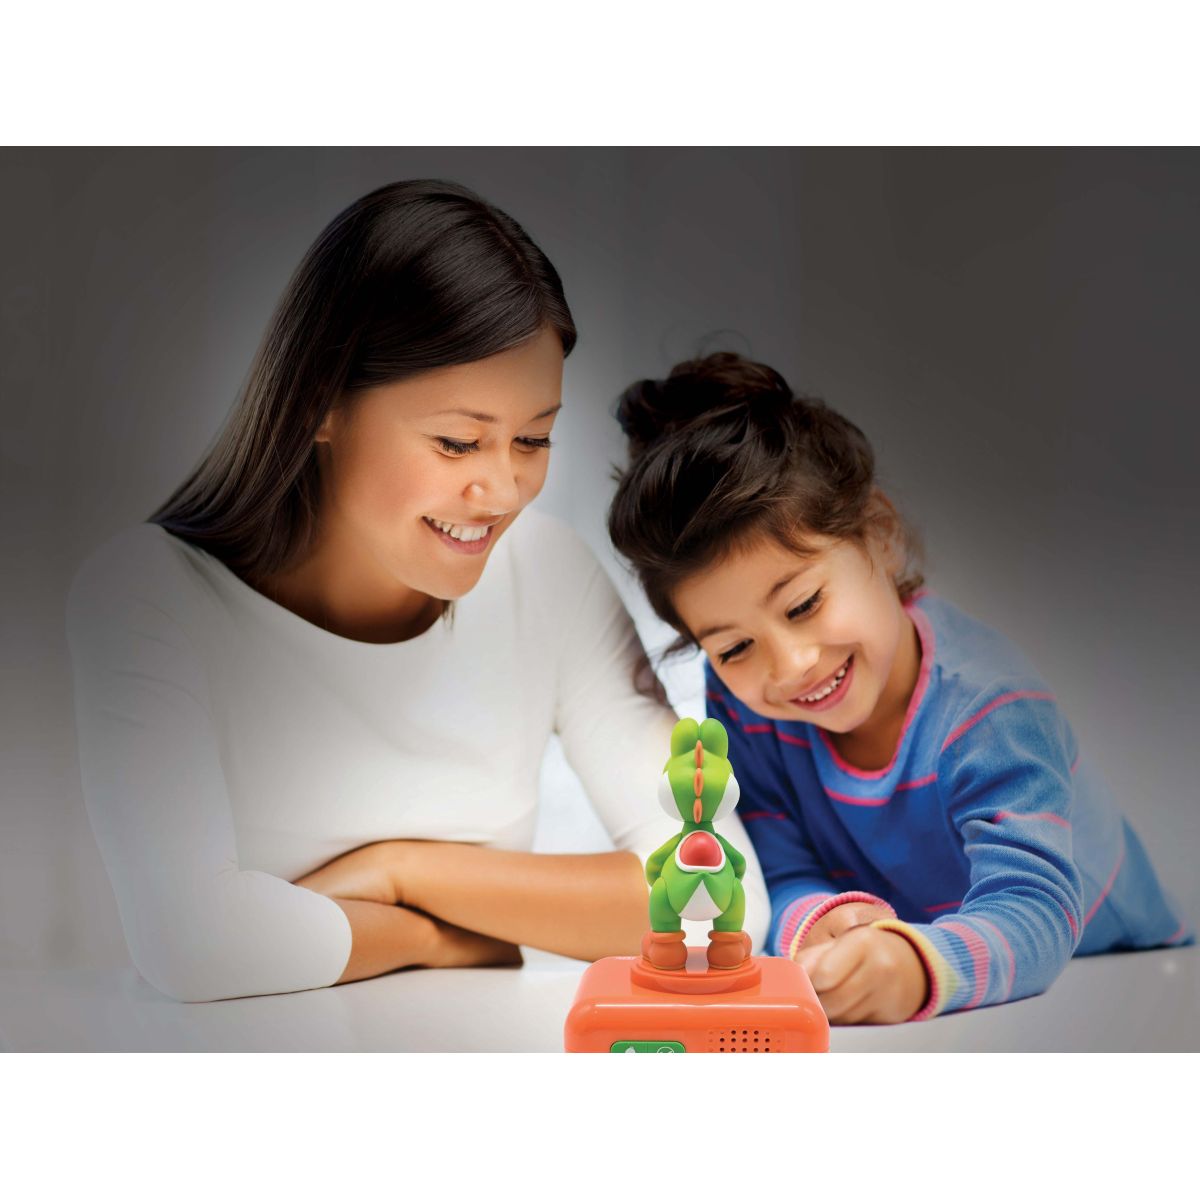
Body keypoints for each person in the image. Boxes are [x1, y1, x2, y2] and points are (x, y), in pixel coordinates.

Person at [65, 181, 768, 1004]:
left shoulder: (546, 574)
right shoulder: (146, 597)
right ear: (320, 403)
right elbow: (191, 946)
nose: (501, 490)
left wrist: (402, 872)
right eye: (458, 442)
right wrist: (446, 938)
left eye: (533, 439)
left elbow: (724, 902)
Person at [606, 350, 1192, 1024]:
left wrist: (916, 964)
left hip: (1127, 974)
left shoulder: (991, 709)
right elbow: (777, 870)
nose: (790, 665)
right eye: (734, 648)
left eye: (803, 604)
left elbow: (1036, 910)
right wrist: (820, 923)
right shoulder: (746, 711)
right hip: (946, 964)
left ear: (879, 535)